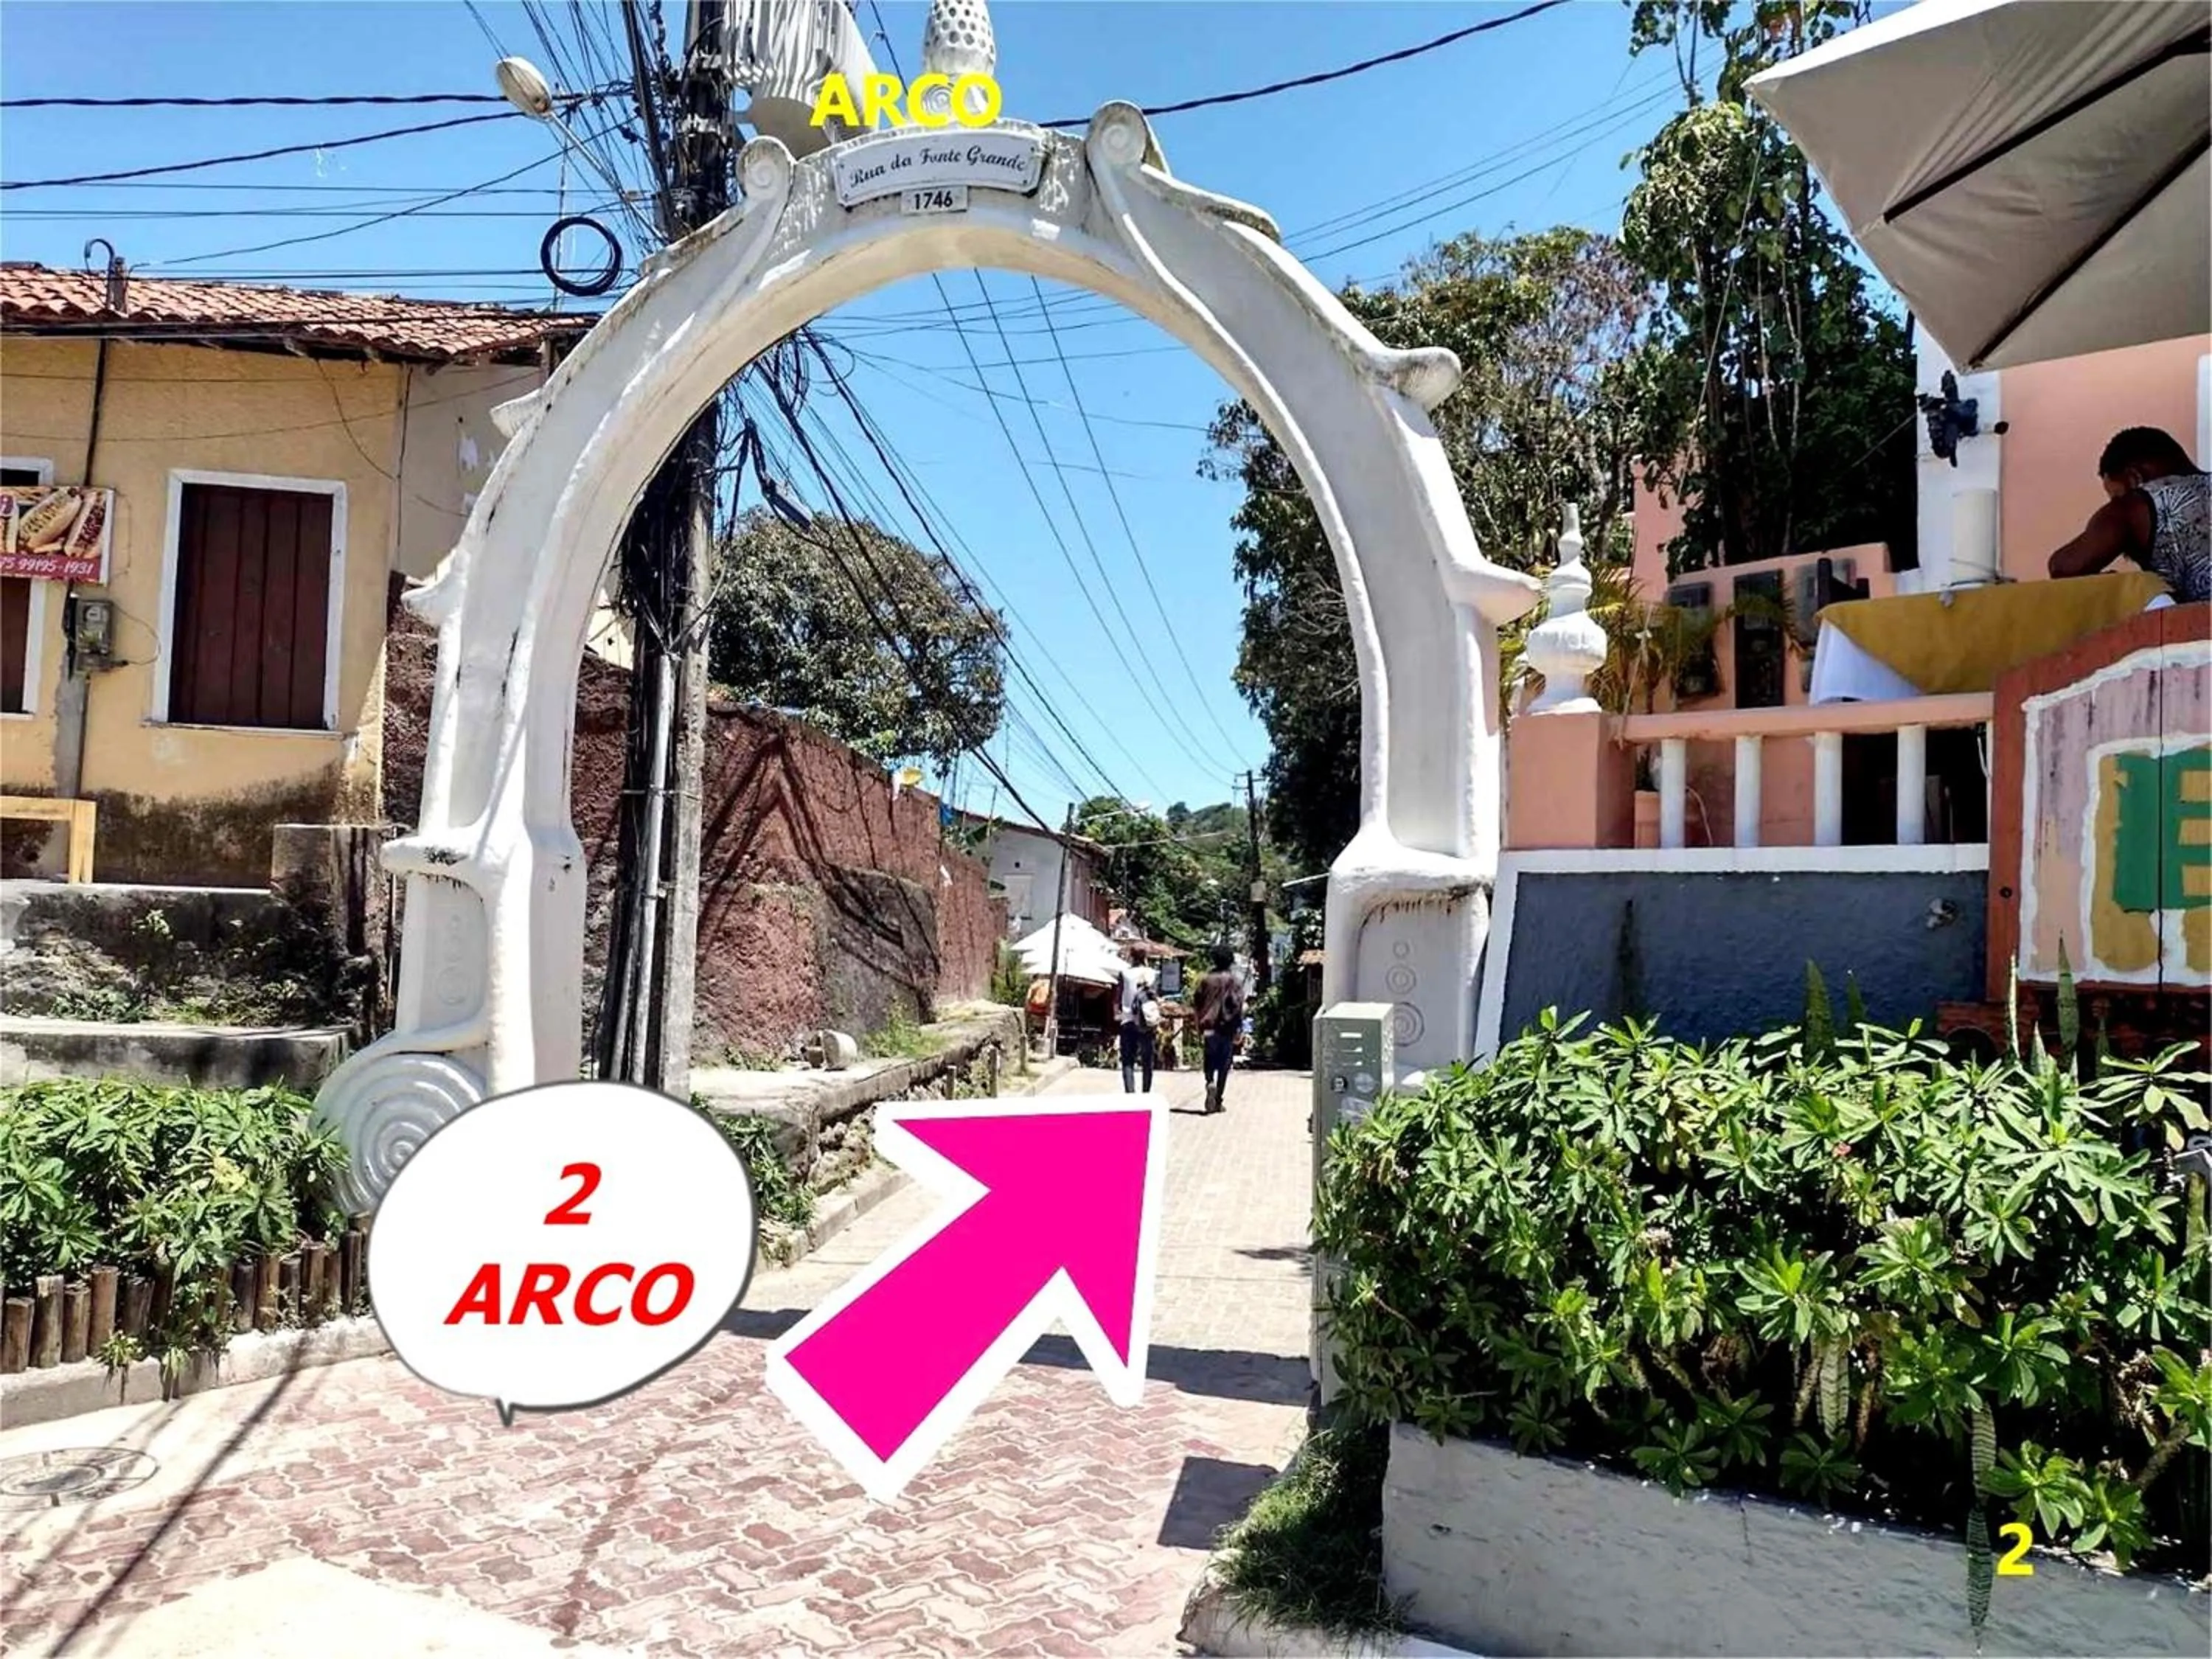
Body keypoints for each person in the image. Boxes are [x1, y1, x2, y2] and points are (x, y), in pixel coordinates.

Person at [2046, 427, 2209, 604]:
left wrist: (2110, 585)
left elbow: (2065, 567)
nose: (2115, 502)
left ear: (2134, 478)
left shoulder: (2135, 505)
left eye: (2116, 495)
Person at [1192, 944, 1245, 1116]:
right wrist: (1239, 1028)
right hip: (1227, 1028)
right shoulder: (1234, 981)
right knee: (1224, 1064)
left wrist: (1198, 1024)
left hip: (1209, 1026)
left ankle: (1209, 1082)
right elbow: (1238, 1006)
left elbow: (1197, 1004)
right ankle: (1219, 1100)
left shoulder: (1206, 980)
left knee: (1209, 1058)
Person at [1114, 959, 1157, 1094]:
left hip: (1128, 1021)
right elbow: (1155, 996)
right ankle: (1146, 1092)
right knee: (1147, 1060)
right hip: (1147, 1022)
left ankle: (1130, 1093)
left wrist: (1117, 1014)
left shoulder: (1125, 973)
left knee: (1128, 1060)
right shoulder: (1153, 973)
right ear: (1145, 957)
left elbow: (1117, 997)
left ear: (1132, 956)